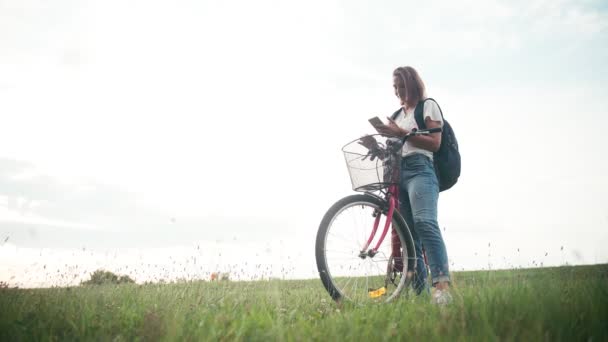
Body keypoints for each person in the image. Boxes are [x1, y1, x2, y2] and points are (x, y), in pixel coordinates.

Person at [374, 66, 452, 305]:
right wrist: (375, 148)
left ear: (412, 84)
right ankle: (421, 296)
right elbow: (393, 150)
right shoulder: (396, 116)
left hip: (421, 169)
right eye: (395, 88)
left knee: (424, 222)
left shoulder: (427, 106)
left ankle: (442, 288)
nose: (398, 92)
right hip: (399, 173)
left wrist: (401, 133)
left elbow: (435, 143)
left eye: (402, 87)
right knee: (409, 238)